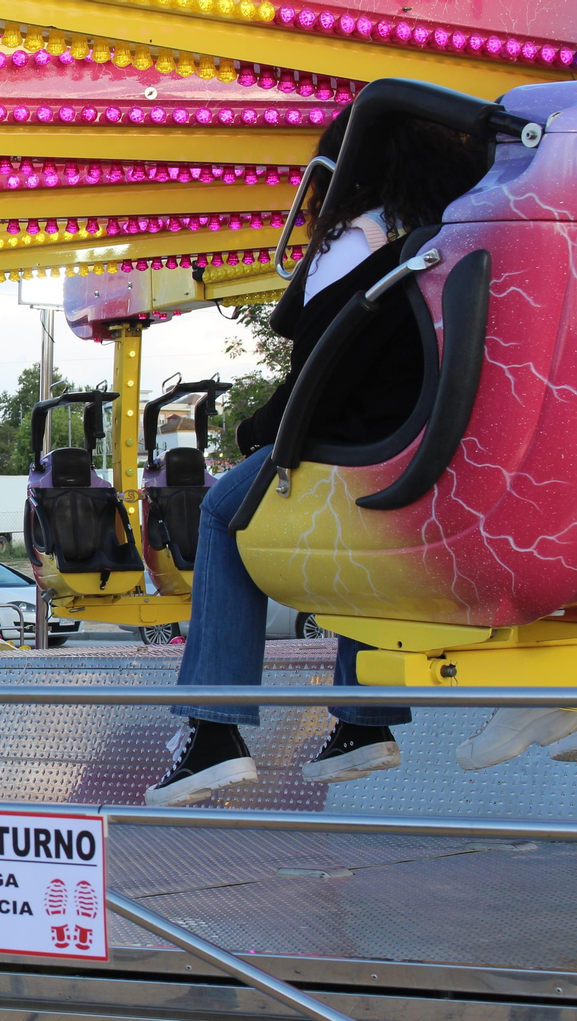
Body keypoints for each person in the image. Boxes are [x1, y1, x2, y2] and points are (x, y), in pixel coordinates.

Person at [144, 108, 492, 807]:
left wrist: (260, 429)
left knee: (221, 512)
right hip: (452, 446)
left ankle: (212, 728)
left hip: (366, 442)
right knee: (364, 531)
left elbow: (324, 369)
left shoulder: (360, 237)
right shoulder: (462, 232)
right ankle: (361, 718)